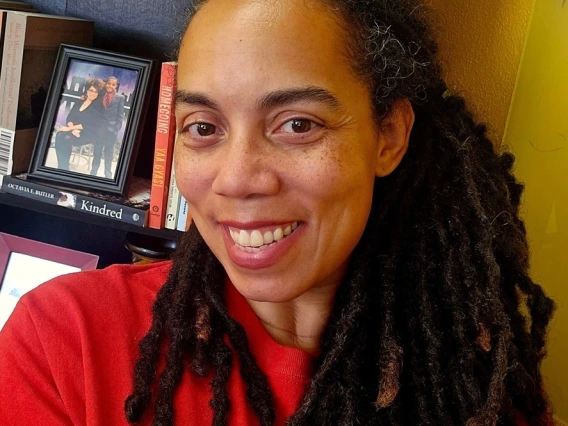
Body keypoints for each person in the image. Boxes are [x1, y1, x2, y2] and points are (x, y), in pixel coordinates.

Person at [0, 0, 555, 425]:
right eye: (203, 128)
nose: (237, 178)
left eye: (297, 124)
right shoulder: (64, 342)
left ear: (388, 135)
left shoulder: (468, 375)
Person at [54, 78, 104, 171]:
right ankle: (62, 167)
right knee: (59, 135)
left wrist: (69, 129)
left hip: (88, 133)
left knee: (66, 138)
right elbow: (70, 117)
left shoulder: (97, 107)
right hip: (75, 130)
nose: (92, 93)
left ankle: (63, 168)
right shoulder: (80, 101)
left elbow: (87, 123)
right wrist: (72, 129)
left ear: (98, 94)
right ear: (87, 90)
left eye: (96, 92)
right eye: (91, 90)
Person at [90, 76, 125, 179]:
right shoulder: (100, 94)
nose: (110, 86)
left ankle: (108, 174)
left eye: (113, 84)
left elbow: (120, 114)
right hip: (100, 127)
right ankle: (94, 171)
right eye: (109, 83)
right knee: (97, 149)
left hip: (112, 129)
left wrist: (117, 127)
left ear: (116, 86)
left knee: (109, 152)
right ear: (106, 84)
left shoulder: (120, 98)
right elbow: (94, 105)